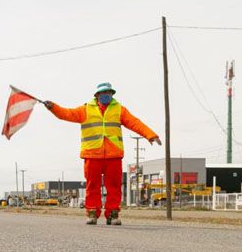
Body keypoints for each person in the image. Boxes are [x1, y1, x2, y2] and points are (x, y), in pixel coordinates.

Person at [44, 83, 161, 225]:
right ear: (97, 95)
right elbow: (67, 114)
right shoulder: (86, 109)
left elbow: (135, 123)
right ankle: (92, 213)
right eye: (104, 92)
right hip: (92, 154)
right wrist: (53, 107)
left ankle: (112, 214)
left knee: (114, 187)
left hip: (113, 155)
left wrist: (150, 135)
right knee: (92, 186)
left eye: (109, 92)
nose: (107, 95)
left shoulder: (119, 109)